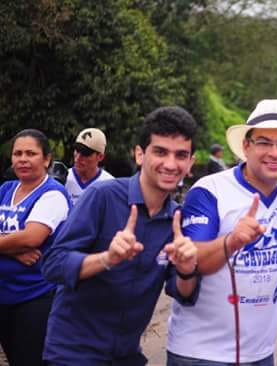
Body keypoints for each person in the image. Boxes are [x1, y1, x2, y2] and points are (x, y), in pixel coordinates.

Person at [41, 106, 200, 365]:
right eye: (160, 152)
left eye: (181, 155)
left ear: (190, 163)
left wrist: (186, 269)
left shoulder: (177, 222)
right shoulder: (102, 197)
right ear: (140, 154)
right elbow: (53, 264)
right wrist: (107, 258)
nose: (171, 164)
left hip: (126, 355)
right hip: (73, 353)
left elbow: (184, 293)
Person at [166, 99, 277, 365]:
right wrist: (232, 241)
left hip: (260, 353)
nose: (275, 152)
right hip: (200, 354)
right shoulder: (209, 191)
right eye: (264, 142)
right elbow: (193, 260)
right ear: (246, 146)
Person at [0, 129, 71, 365]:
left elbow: (32, 238)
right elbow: (21, 240)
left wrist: (18, 243)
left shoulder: (53, 194)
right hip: (4, 295)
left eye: (30, 153)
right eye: (17, 153)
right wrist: (12, 249)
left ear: (47, 159)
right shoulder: (6, 190)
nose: (22, 159)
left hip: (35, 297)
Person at [65, 127, 114, 205]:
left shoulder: (109, 184)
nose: (78, 158)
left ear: (100, 157)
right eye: (77, 150)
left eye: (85, 153)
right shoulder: (62, 179)